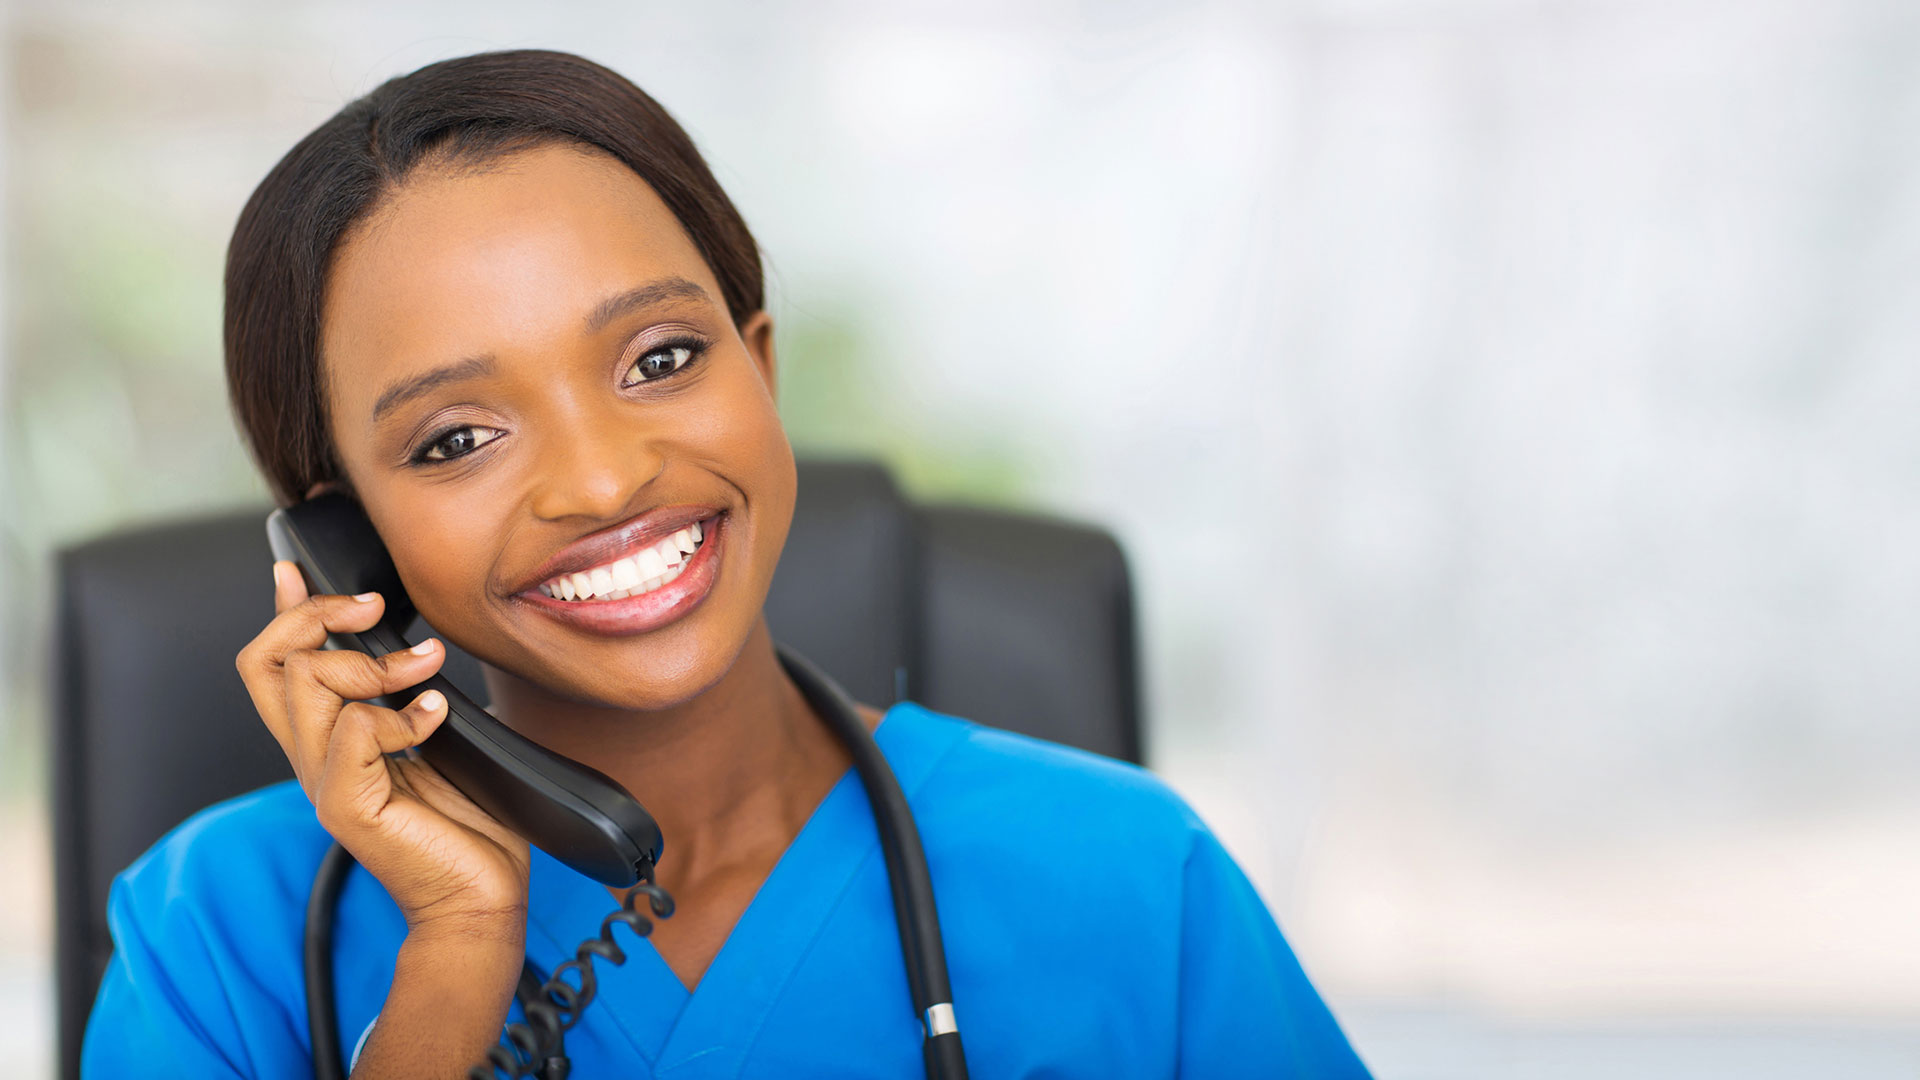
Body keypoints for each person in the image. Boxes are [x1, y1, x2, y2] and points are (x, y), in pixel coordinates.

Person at [80, 48, 1371, 1079]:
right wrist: (456, 965)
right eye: (458, 436)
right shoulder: (214, 935)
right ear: (342, 536)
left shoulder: (1130, 876)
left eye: (659, 359)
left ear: (759, 364)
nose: (600, 481)